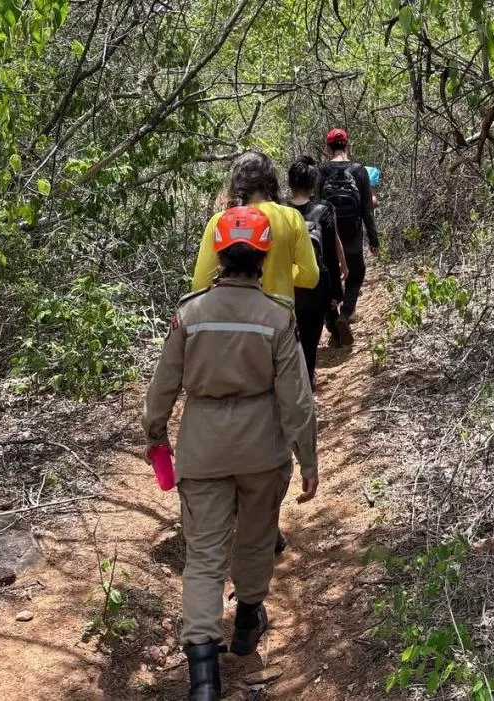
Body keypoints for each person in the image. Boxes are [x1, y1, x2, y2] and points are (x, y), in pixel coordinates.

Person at [143, 208, 319, 701]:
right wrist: (308, 460)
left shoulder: (190, 313)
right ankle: (246, 626)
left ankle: (204, 679)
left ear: (220, 253)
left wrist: (155, 433)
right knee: (257, 538)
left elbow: (163, 387)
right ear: (263, 256)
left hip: (202, 449)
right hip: (262, 449)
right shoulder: (277, 316)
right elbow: (296, 400)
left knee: (202, 558)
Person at [192, 150, 319, 297]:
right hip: (279, 316)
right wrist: (282, 269)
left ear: (237, 182)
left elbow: (199, 284)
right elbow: (310, 278)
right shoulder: (292, 218)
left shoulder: (220, 220)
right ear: (271, 182)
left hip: (233, 315)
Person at [288, 156, 352, 382]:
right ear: (314, 182)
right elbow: (330, 255)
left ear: (290, 183)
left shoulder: (280, 211)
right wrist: (336, 292)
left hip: (284, 289)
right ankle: (308, 382)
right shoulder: (323, 210)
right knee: (309, 343)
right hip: (315, 288)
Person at [319, 128, 379, 328]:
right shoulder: (359, 170)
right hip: (352, 232)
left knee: (328, 275)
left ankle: (332, 321)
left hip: (327, 233)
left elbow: (316, 206)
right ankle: (346, 313)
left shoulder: (322, 171)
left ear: (328, 147)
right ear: (348, 144)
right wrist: (373, 239)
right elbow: (366, 209)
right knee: (357, 271)